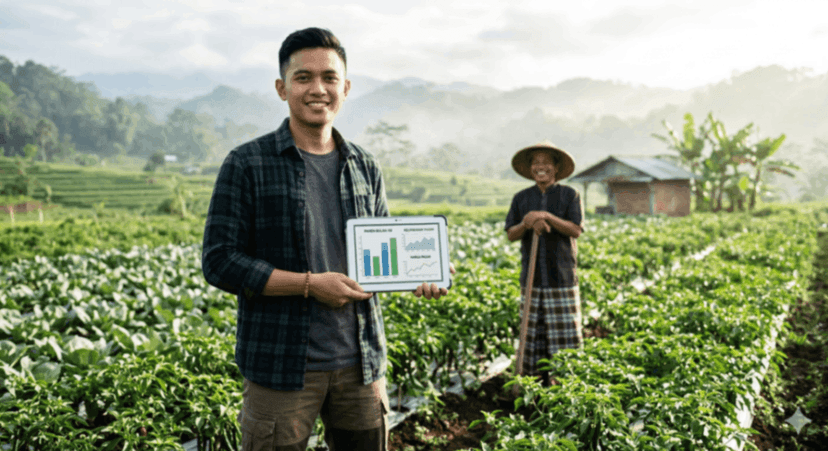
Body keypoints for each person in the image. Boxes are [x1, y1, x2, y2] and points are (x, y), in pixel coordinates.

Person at [201, 27, 449, 451]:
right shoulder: (247, 163)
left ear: (346, 88)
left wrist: (423, 272)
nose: (318, 89)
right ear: (282, 88)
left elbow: (383, 250)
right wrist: (310, 284)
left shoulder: (364, 165)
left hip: (362, 363)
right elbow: (220, 261)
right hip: (280, 367)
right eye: (303, 78)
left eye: (330, 78)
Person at [504, 142, 584, 387]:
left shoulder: (569, 195)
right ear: (530, 169)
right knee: (532, 338)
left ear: (556, 168)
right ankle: (533, 387)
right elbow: (511, 233)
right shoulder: (521, 198)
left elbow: (575, 229)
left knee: (565, 340)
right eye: (535, 163)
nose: (541, 167)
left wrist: (546, 216)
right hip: (532, 277)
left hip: (561, 277)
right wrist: (528, 223)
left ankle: (564, 388)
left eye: (546, 162)